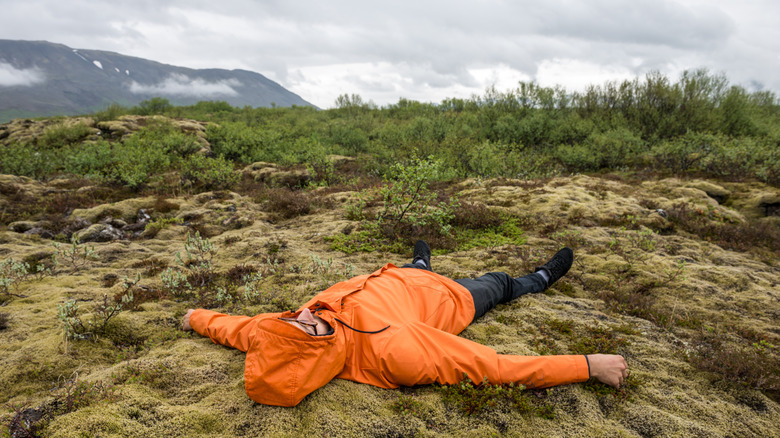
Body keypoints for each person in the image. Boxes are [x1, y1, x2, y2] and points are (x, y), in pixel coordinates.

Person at [182, 242, 628, 407]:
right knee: (497, 284)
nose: (302, 313)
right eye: (306, 327)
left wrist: (194, 317)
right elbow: (494, 367)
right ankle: (541, 278)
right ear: (318, 351)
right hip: (446, 299)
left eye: (290, 319)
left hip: (394, 276)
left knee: (415, 266)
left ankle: (420, 261)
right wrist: (588, 365)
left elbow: (231, 327)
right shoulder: (396, 354)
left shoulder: (272, 334)